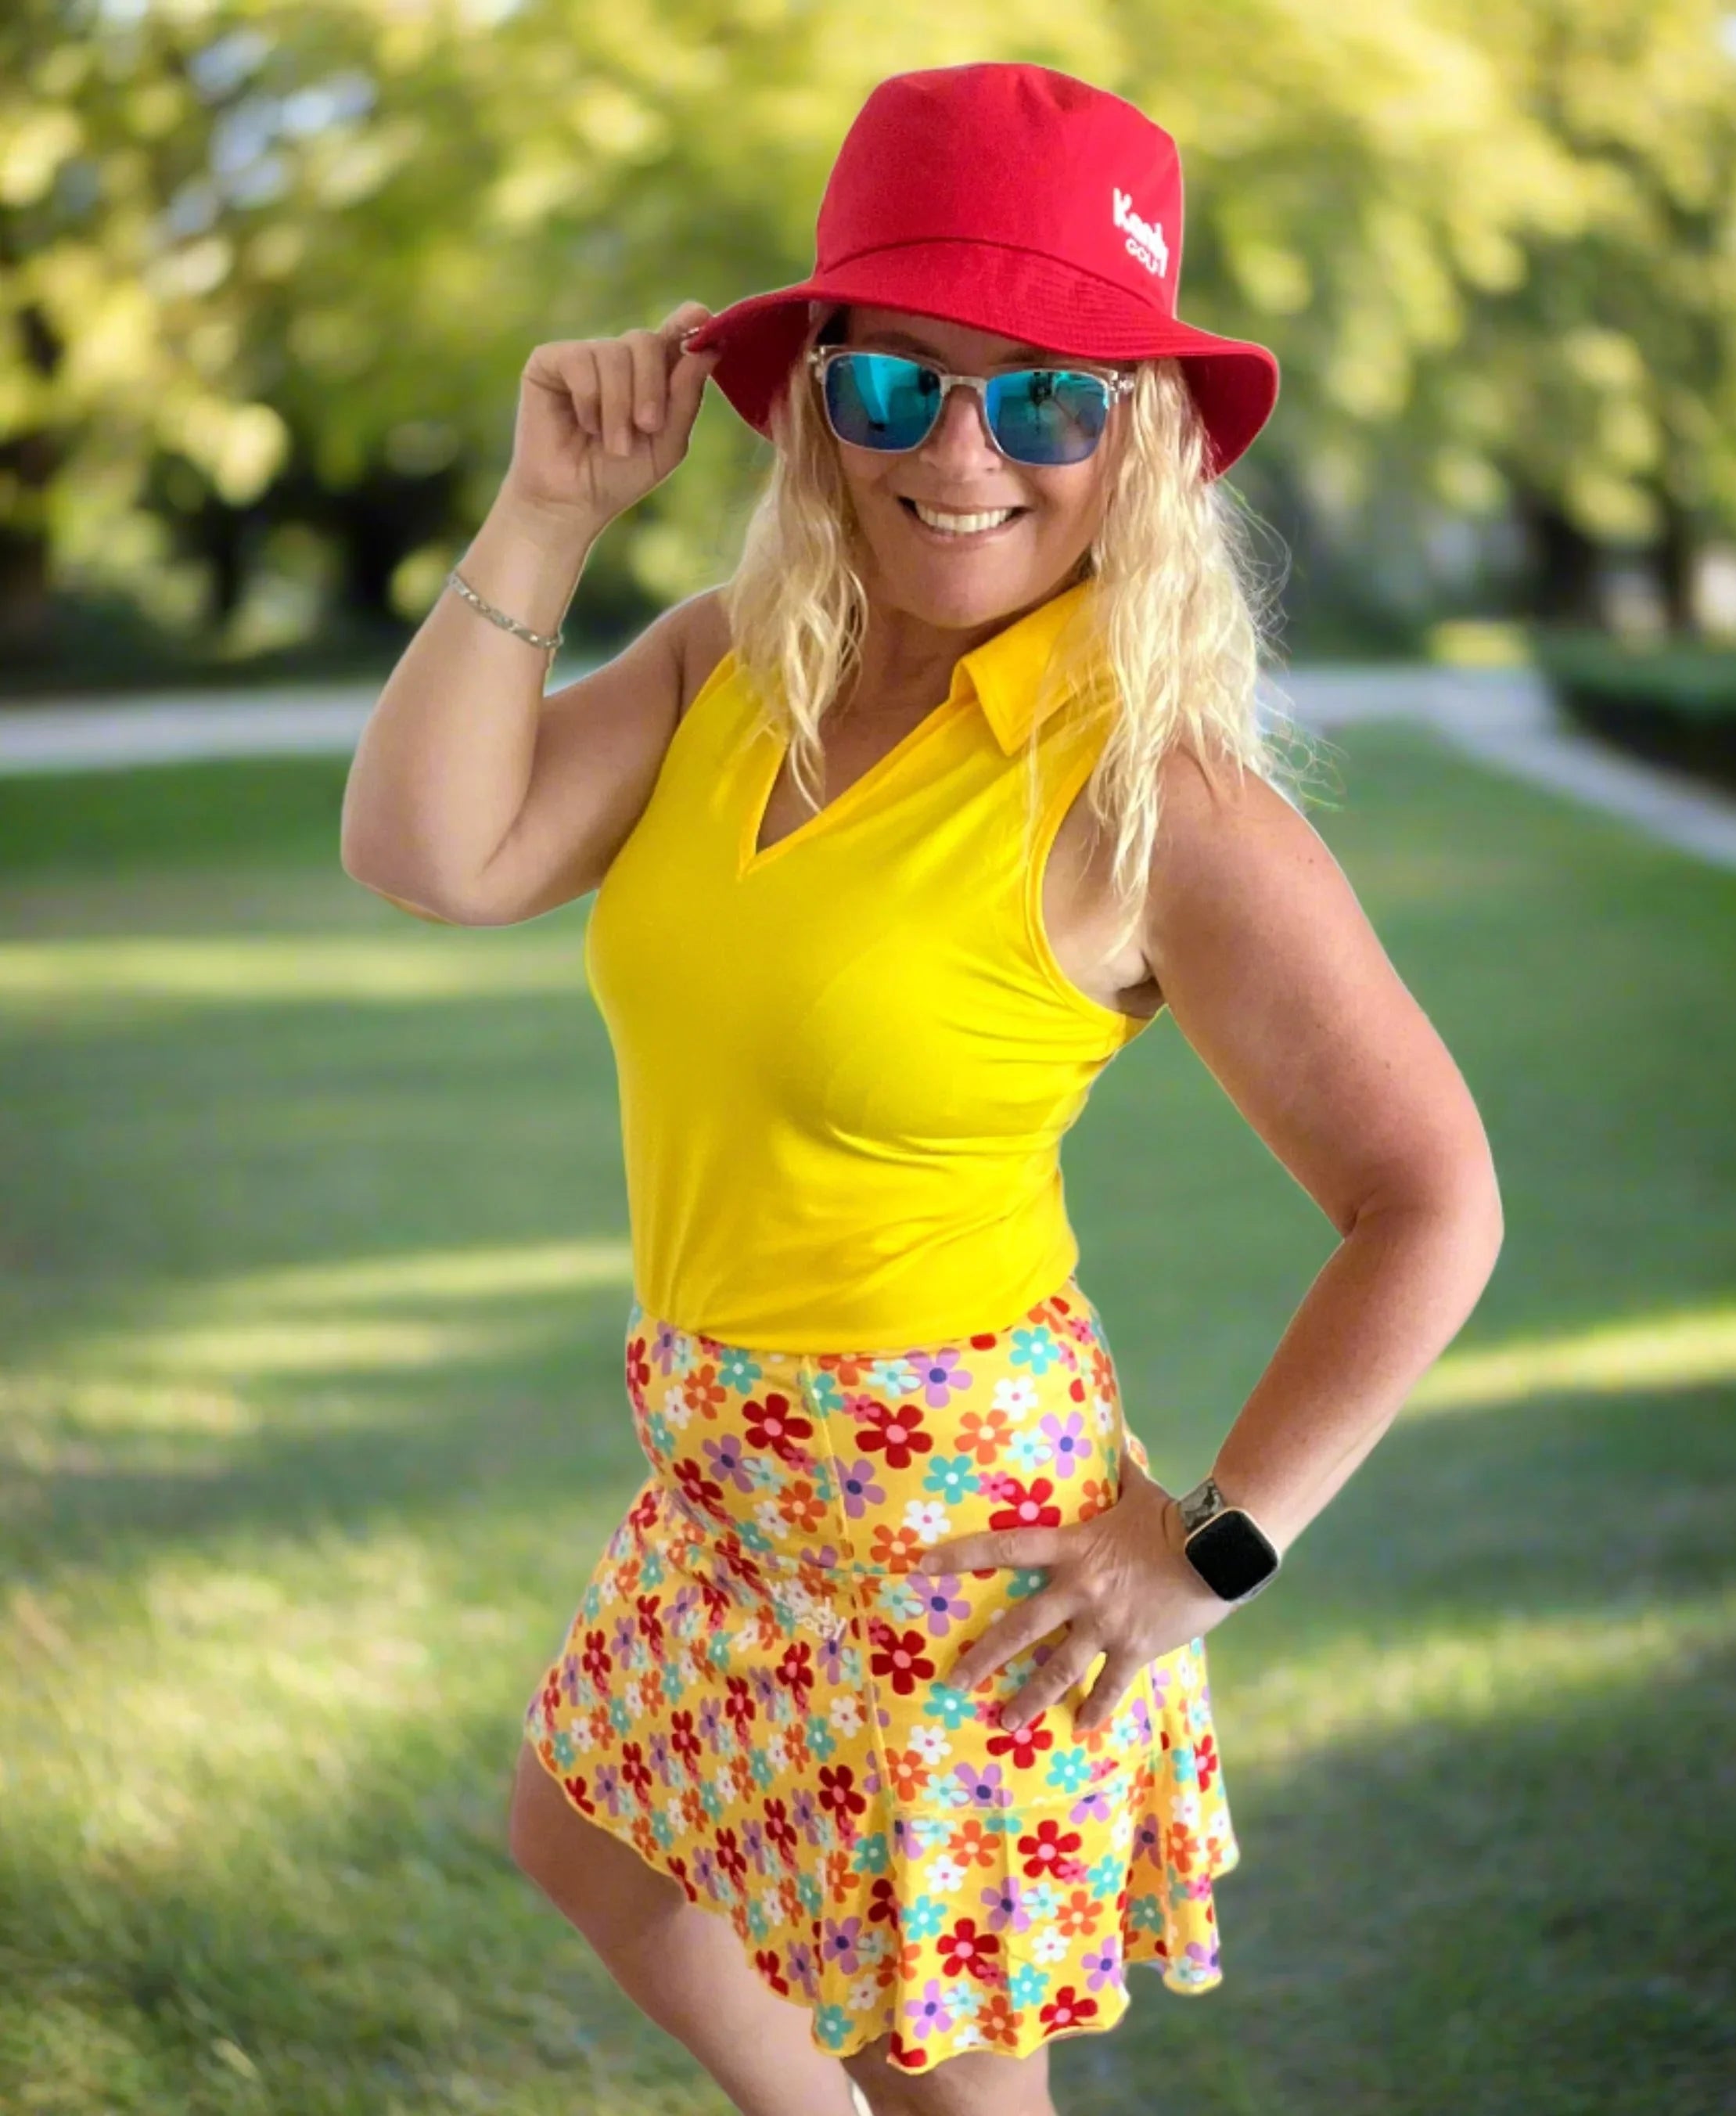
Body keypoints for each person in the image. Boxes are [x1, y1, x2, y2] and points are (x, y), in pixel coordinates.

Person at [340, 59, 1503, 2116]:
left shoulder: (1151, 785)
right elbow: (437, 855)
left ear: (1134, 433)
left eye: (1044, 393)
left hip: (952, 1518)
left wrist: (1207, 1548)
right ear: (815, 401)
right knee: (586, 1830)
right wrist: (543, 514)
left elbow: (1428, 1196)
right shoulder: (728, 662)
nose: (962, 453)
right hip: (730, 1464)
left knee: (942, 2066)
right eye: (900, 387)